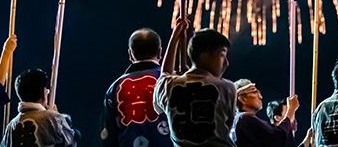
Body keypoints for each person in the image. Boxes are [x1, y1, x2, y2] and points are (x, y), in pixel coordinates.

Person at [153, 19, 236, 147]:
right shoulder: (227, 88)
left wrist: (175, 36)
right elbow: (227, 126)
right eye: (222, 55)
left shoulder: (169, 85)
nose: (226, 63)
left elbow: (165, 75)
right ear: (205, 57)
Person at [101, 28, 171, 147]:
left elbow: (107, 136)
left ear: (130, 54)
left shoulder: (115, 88)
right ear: (160, 52)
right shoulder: (170, 81)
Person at [0, 68, 79, 147]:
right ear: (45, 93)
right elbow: (73, 142)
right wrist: (56, 116)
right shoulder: (52, 118)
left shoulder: (11, 126)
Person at [231, 79, 297, 147]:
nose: (260, 97)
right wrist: (290, 111)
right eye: (255, 92)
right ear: (242, 99)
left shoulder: (236, 121)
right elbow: (276, 138)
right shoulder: (245, 118)